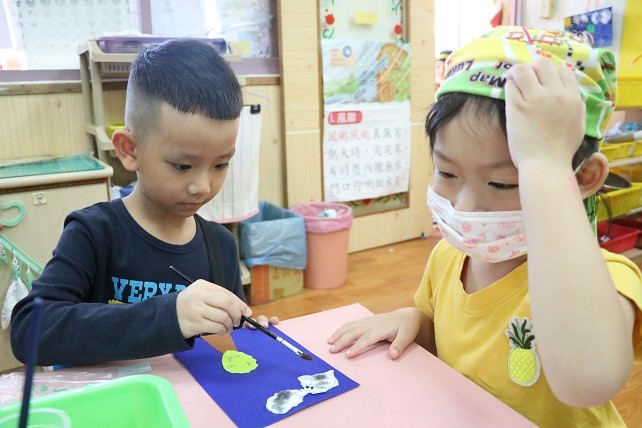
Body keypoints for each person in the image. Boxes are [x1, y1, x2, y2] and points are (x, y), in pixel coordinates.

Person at [328, 26, 642, 426]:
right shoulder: (448, 257)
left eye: (503, 183)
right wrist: (414, 321)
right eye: (447, 173)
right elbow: (446, 336)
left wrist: (544, 164)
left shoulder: (608, 279)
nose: (465, 206)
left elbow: (587, 381)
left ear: (583, 178)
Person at [11, 39, 278, 366]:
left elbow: (223, 339)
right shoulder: (94, 232)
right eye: (182, 166)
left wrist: (246, 327)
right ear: (129, 150)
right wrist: (169, 316)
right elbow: (29, 330)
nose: (202, 186)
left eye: (221, 164)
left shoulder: (220, 245)